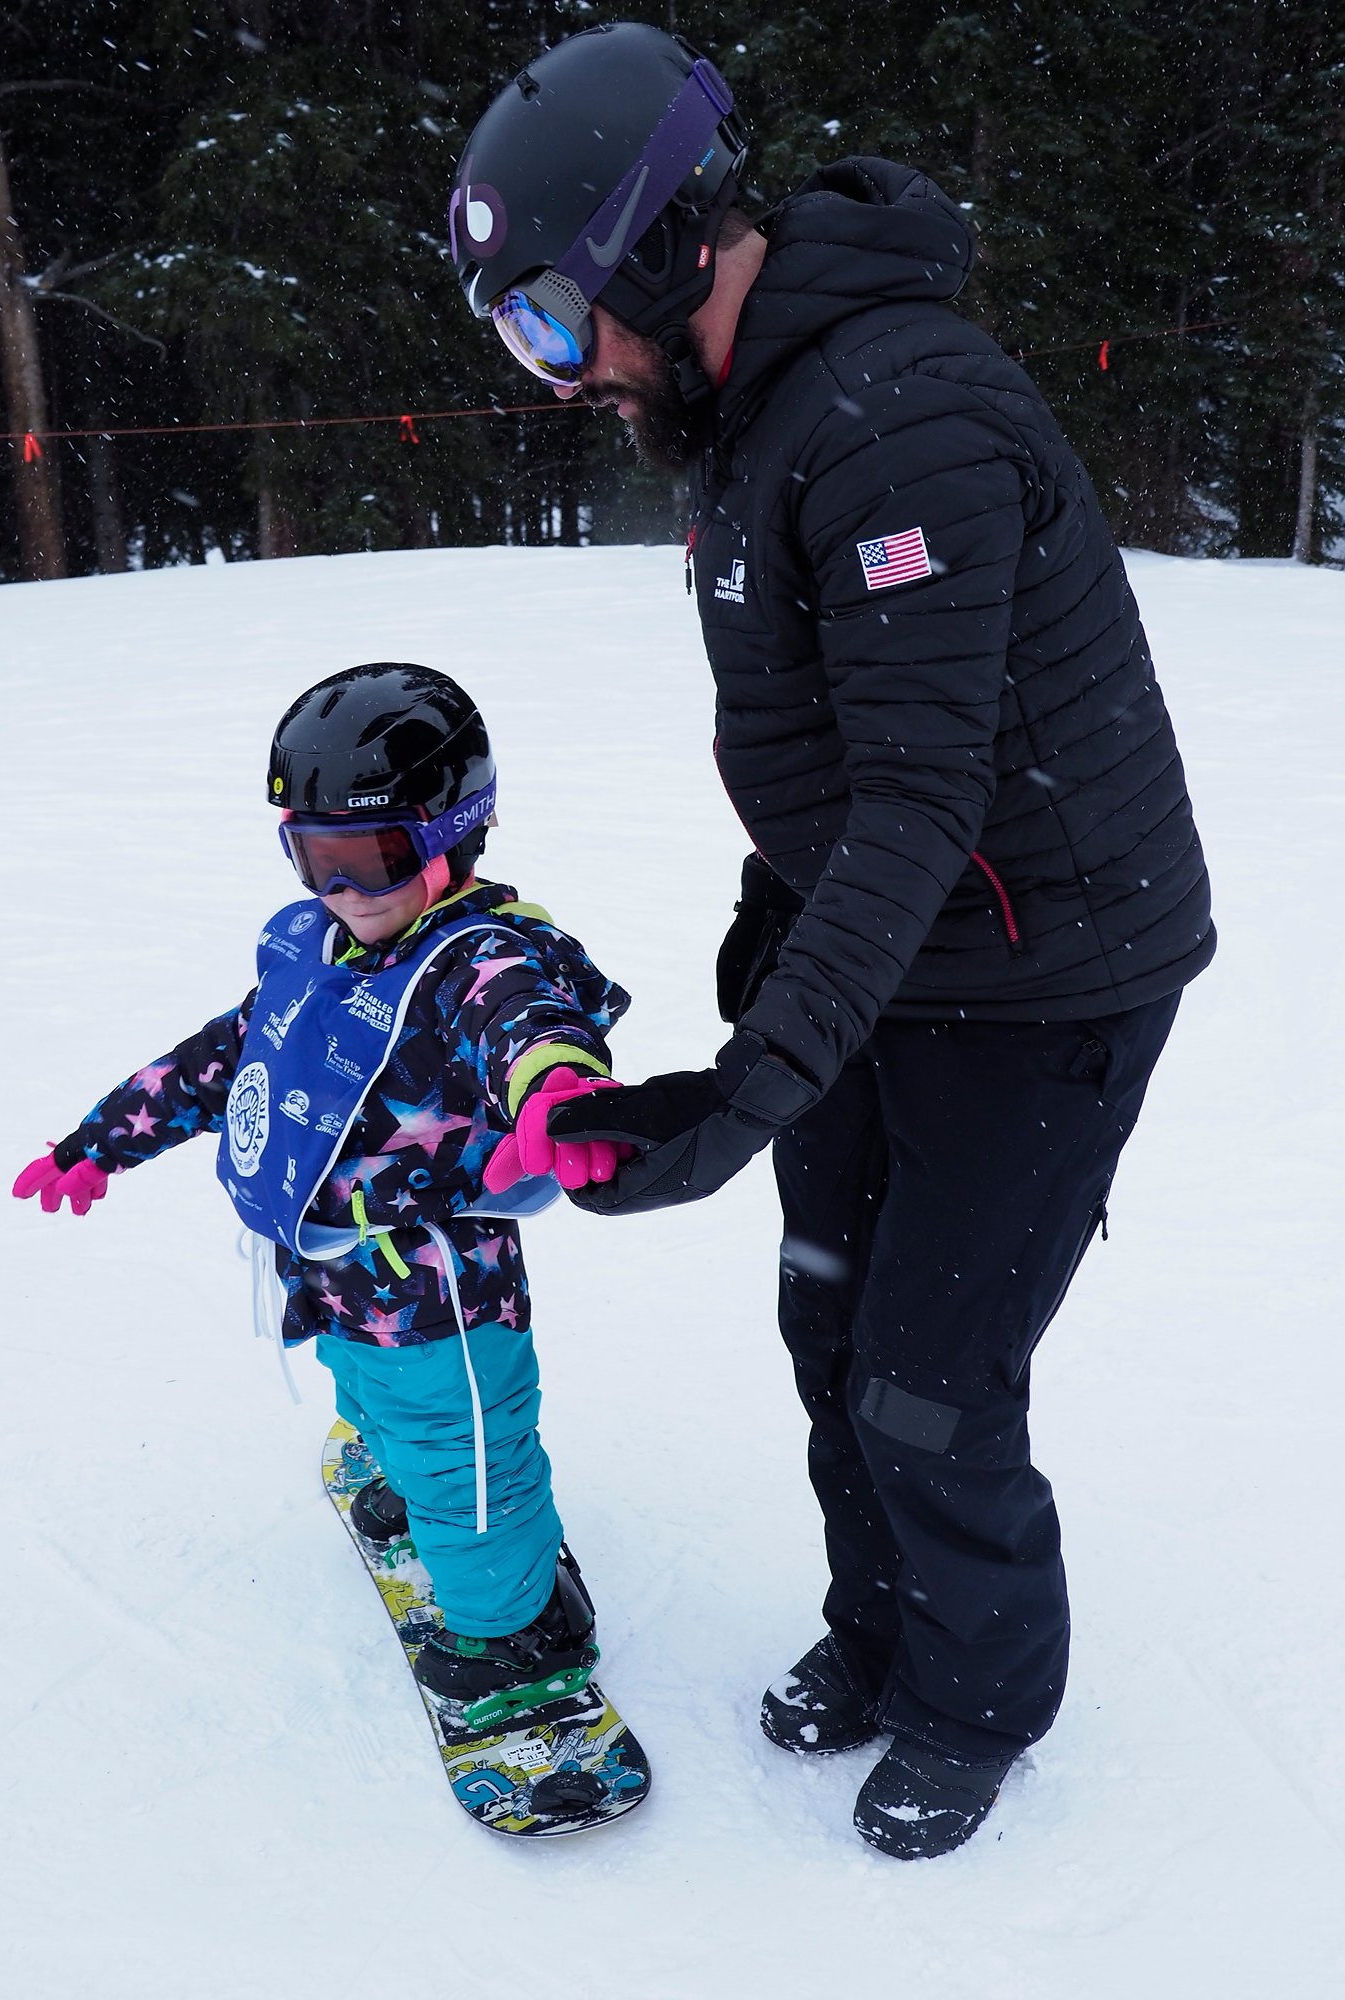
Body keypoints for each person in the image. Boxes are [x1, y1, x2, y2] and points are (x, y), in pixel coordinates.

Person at [452, 23, 1215, 1858]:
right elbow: (837, 758)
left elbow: (920, 797)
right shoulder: (750, 410)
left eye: (554, 322)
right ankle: (878, 1635)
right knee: (827, 1323)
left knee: (929, 1376)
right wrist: (767, 948)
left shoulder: (905, 422)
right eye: (514, 340)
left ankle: (977, 1693)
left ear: (651, 247)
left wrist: (740, 1095)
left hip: (1050, 976)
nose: (555, 380)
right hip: (897, 947)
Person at [13, 662, 632, 1722]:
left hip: (440, 1287)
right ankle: (402, 1469)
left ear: (450, 833)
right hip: (337, 1268)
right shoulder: (322, 948)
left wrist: (560, 1094)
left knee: (466, 1449)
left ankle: (518, 1633)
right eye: (316, 858)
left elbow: (528, 1026)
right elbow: (231, 1054)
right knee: (367, 1388)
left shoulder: (469, 960)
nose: (342, 889)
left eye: (372, 857)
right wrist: (102, 1139)